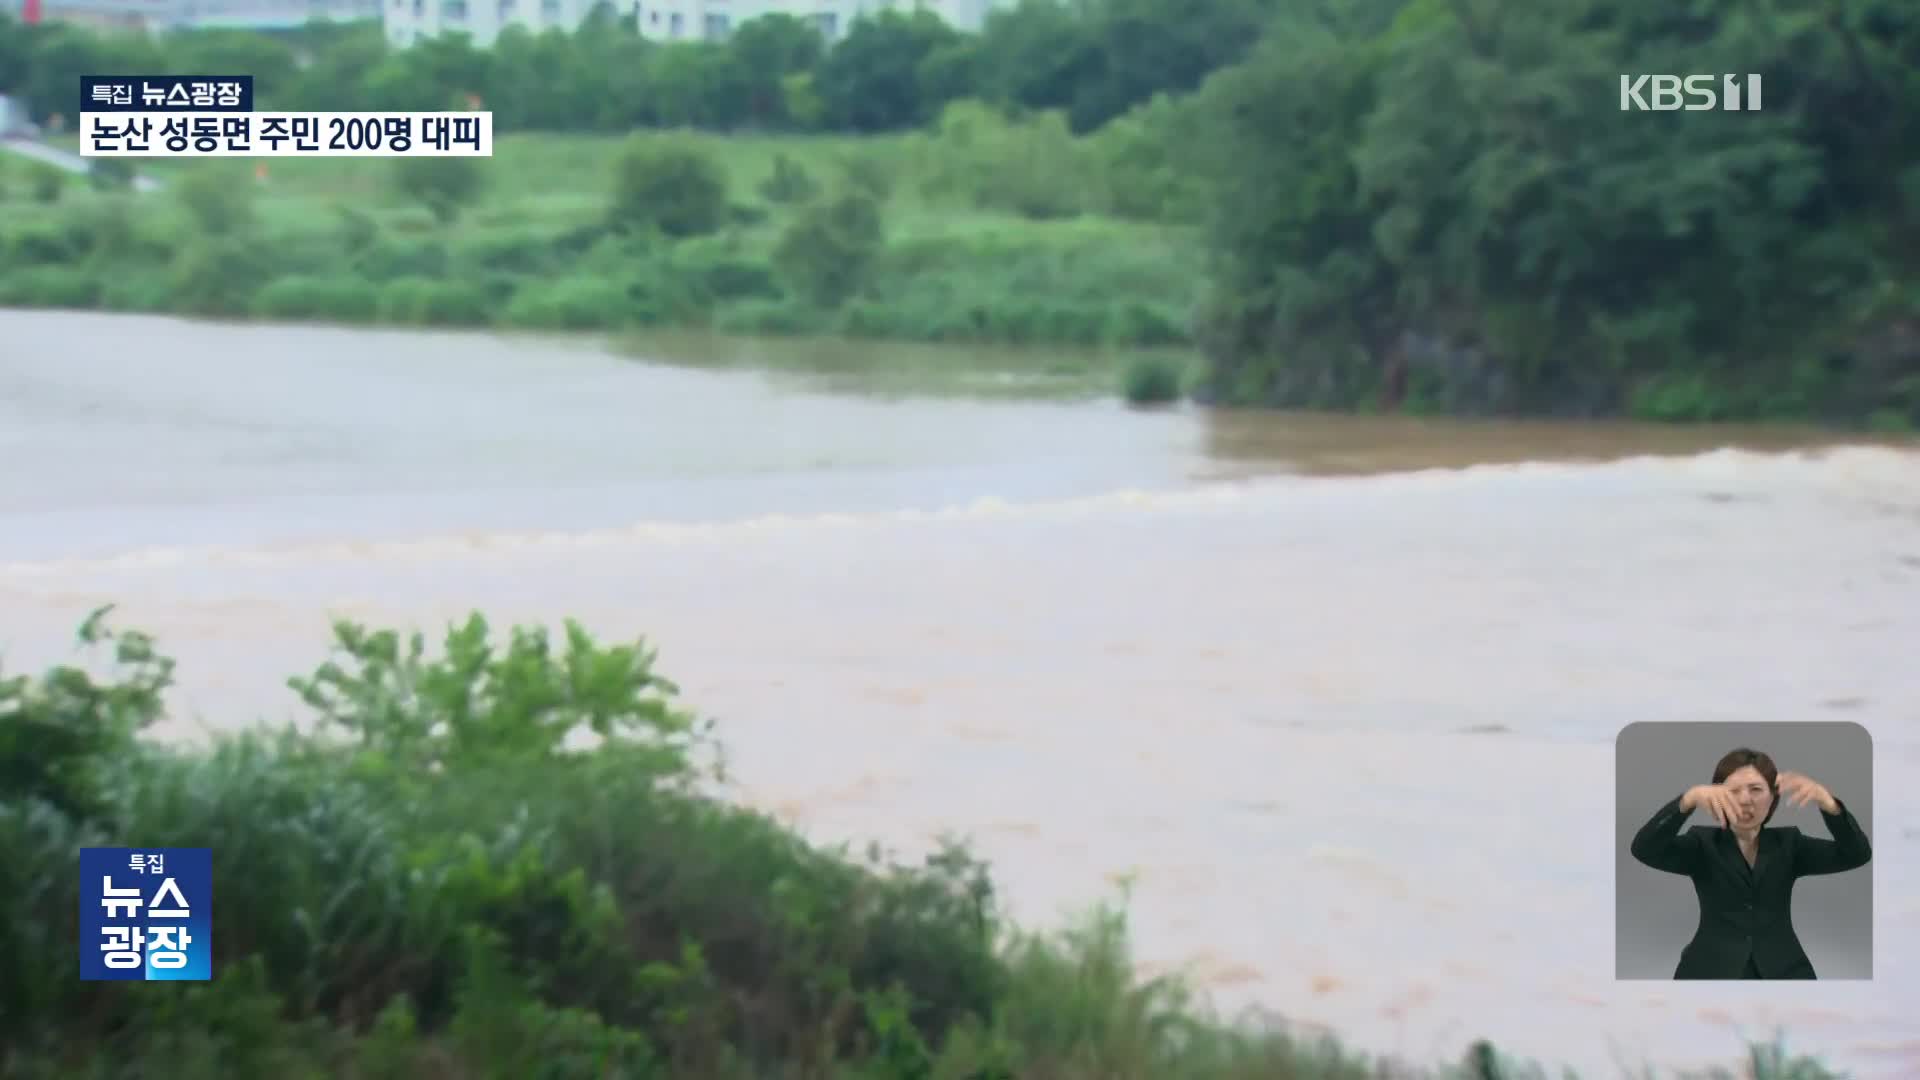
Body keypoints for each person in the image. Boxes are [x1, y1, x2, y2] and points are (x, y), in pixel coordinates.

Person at [1629, 747, 1871, 979]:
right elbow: (1644, 849)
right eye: (1733, 790)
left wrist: (1829, 805)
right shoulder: (1701, 844)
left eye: (1756, 789)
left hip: (1784, 969)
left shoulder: (1790, 844)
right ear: (1716, 795)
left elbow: (1856, 854)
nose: (1745, 800)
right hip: (1710, 967)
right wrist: (1687, 801)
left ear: (1772, 797)